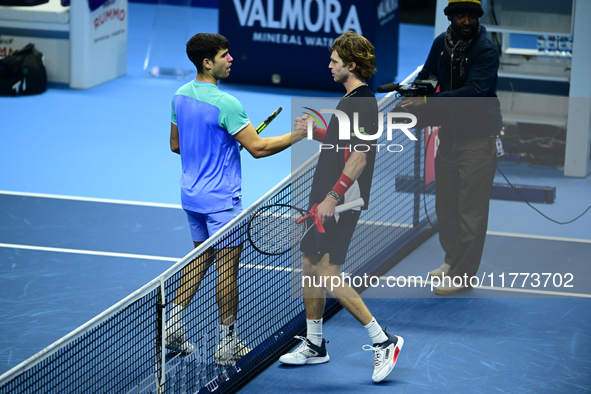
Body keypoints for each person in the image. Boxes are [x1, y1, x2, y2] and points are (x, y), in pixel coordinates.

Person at [167, 33, 307, 365]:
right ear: (207, 62)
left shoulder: (180, 96)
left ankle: (172, 325)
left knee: (201, 259)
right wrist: (297, 135)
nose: (230, 59)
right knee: (227, 268)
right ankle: (226, 344)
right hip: (221, 202)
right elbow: (258, 148)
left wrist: (217, 148)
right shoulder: (227, 103)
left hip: (192, 196)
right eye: (225, 55)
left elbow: (176, 145)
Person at [278, 31, 404, 384]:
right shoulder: (350, 100)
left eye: (334, 61)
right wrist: (313, 133)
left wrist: (332, 198)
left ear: (350, 65)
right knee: (308, 265)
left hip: (340, 201)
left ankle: (384, 340)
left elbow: (360, 158)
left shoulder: (362, 103)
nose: (329, 65)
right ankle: (315, 344)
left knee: (329, 273)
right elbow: (342, 144)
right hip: (325, 198)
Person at [407, 0, 502, 295]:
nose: (466, 21)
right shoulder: (442, 44)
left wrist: (429, 102)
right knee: (446, 208)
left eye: (471, 16)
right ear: (450, 17)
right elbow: (429, 76)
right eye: (460, 15)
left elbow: (474, 93)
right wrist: (413, 95)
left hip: (478, 140)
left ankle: (463, 275)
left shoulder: (485, 50)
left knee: (470, 213)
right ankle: (452, 262)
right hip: (448, 136)